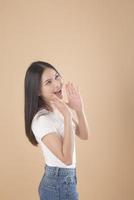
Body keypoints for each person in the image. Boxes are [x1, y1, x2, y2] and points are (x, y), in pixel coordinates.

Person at [24, 61, 90, 200]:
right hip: (58, 184)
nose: (57, 84)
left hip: (65, 181)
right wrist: (67, 115)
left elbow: (84, 135)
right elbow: (66, 159)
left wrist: (79, 110)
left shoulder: (58, 107)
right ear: (37, 90)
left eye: (57, 76)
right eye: (48, 82)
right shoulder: (42, 120)